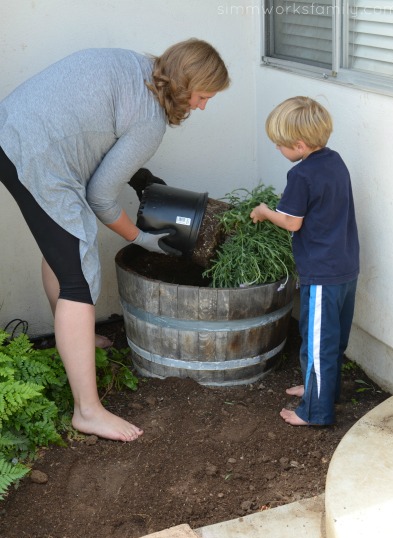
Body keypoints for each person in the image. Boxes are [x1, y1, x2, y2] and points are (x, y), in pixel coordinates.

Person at [0, 39, 230, 441]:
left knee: (64, 246)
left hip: (10, 129)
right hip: (36, 156)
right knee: (78, 275)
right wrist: (142, 238)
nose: (203, 106)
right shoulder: (150, 122)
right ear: (186, 82)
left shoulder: (135, 64)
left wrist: (141, 178)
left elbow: (96, 130)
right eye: (203, 96)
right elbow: (101, 198)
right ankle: (87, 411)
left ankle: (76, 339)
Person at [250, 96, 359, 426]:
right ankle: (323, 391)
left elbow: (292, 222)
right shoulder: (335, 161)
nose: (279, 150)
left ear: (298, 144)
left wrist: (266, 211)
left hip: (322, 273)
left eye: (280, 145)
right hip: (345, 266)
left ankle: (315, 412)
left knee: (317, 344)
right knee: (332, 340)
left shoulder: (301, 176)